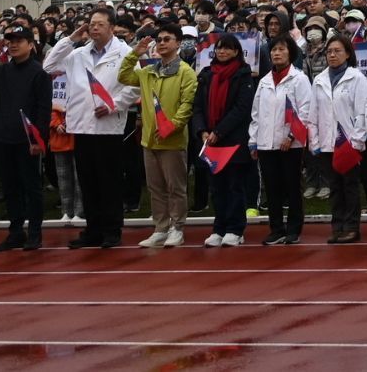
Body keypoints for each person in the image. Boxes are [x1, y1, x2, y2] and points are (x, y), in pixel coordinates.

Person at [43, 8, 138, 249]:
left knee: (109, 182)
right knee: (88, 182)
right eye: (91, 24)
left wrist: (114, 105)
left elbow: (135, 86)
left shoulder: (125, 53)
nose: (94, 28)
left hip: (108, 127)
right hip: (82, 125)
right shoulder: (77, 54)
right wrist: (70, 39)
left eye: (99, 24)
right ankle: (93, 229)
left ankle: (111, 230)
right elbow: (48, 65)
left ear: (111, 27)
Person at [0, 25, 53, 251]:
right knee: (10, 187)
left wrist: (39, 141)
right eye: (10, 41)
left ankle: (35, 232)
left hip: (27, 141)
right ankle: (16, 232)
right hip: (3, 137)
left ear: (31, 44)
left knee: (32, 188)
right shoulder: (3, 70)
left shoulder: (39, 73)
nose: (13, 44)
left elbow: (44, 111)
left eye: (19, 40)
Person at [120, 22, 198, 249]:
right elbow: (124, 76)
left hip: (172, 140)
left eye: (167, 39)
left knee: (175, 187)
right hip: (149, 140)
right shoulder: (148, 71)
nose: (162, 43)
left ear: (178, 43)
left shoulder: (186, 72)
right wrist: (135, 53)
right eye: (159, 40)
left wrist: (171, 126)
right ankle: (160, 227)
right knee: (155, 188)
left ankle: (177, 227)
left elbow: (187, 105)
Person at [191, 33, 255, 247]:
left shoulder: (244, 75)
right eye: (219, 48)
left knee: (235, 185)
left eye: (227, 48)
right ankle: (219, 228)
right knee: (217, 187)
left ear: (237, 51)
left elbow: (241, 109)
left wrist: (219, 131)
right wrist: (202, 131)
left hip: (233, 140)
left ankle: (236, 229)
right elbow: (197, 106)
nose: (222, 51)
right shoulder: (207, 74)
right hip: (209, 141)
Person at [249, 35, 313, 244]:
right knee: (272, 187)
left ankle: (294, 229)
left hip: (290, 144)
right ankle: (276, 228)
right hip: (266, 143)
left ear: (290, 53)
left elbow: (305, 110)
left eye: (281, 49)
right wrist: (254, 141)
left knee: (292, 186)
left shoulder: (299, 78)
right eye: (273, 50)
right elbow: (256, 113)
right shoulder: (265, 81)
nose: (276, 53)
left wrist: (291, 135)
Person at [311, 33, 367, 244]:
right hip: (327, 143)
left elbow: (362, 112)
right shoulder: (319, 80)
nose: (332, 55)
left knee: (350, 186)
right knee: (335, 188)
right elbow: (313, 114)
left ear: (348, 54)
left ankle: (352, 227)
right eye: (329, 51)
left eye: (337, 51)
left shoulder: (356, 78)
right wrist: (315, 142)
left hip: (348, 143)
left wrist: (356, 140)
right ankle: (337, 226)